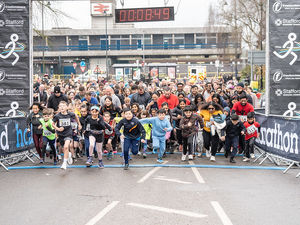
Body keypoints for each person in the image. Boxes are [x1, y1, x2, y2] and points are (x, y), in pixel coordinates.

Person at [52, 101, 81, 170]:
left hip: (68, 133)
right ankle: (69, 155)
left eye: (63, 106)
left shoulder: (70, 114)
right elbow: (53, 124)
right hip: (61, 134)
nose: (62, 107)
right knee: (64, 149)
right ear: (58, 107)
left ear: (67, 107)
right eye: (60, 106)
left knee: (65, 147)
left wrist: (79, 124)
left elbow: (76, 116)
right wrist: (58, 129)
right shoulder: (57, 116)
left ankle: (64, 163)